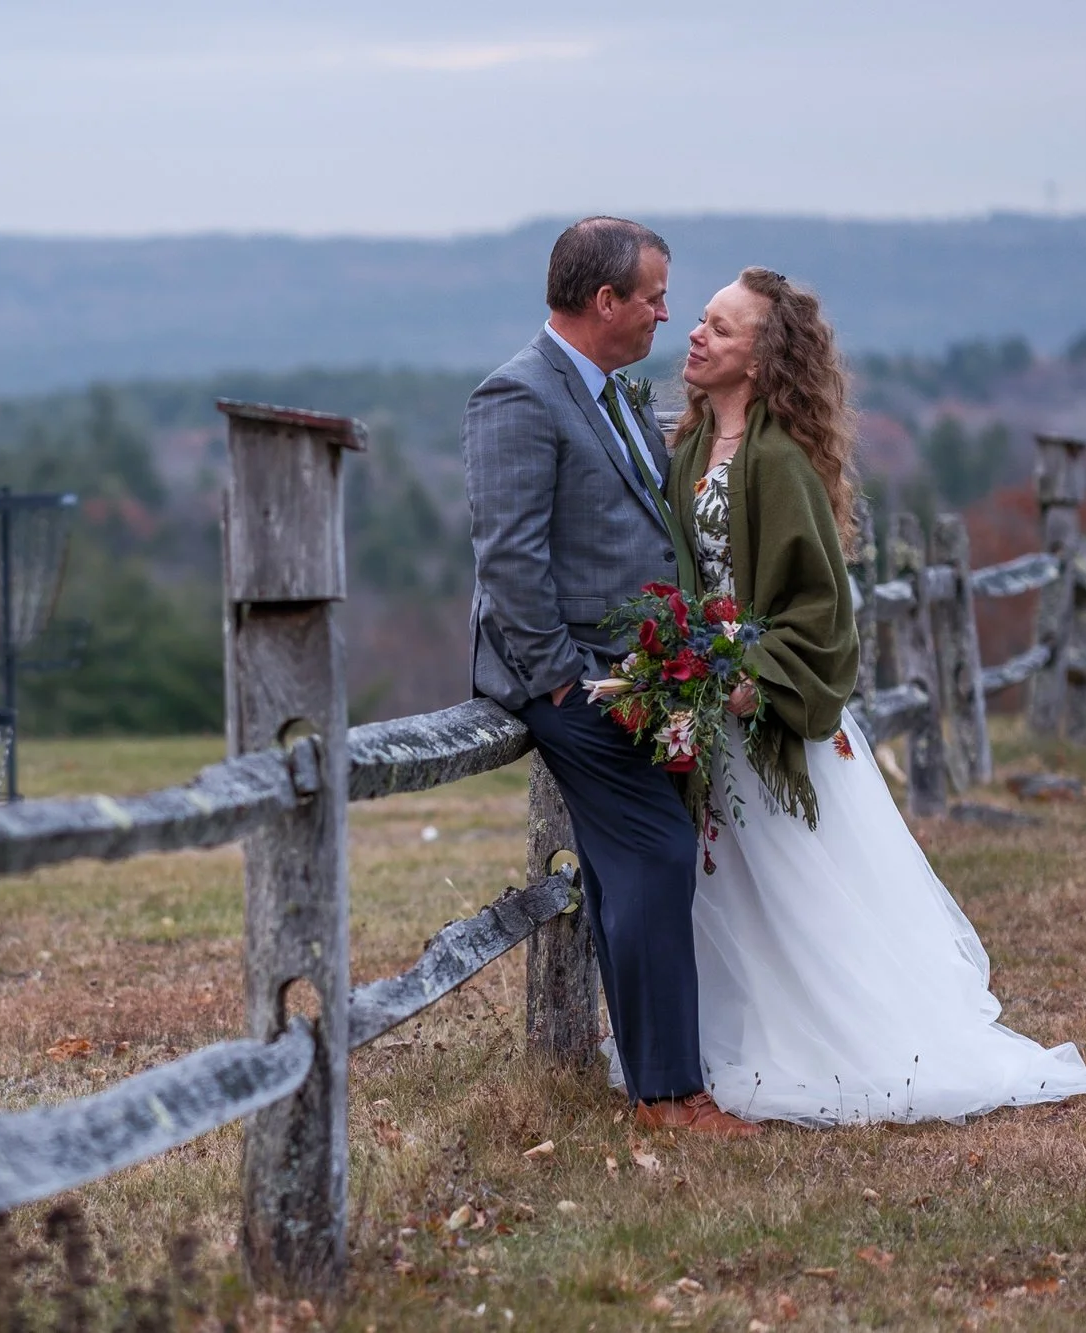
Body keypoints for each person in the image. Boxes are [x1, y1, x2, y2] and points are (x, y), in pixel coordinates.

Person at [653, 266, 1086, 1125]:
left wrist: (747, 681)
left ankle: (840, 1049)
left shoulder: (777, 462)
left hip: (763, 713)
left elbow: (822, 613)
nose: (695, 334)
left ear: (760, 358)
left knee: (803, 897)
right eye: (700, 319)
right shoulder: (691, 447)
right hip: (711, 712)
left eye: (720, 327)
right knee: (739, 896)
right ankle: (743, 1039)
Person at [464, 217, 757, 1136]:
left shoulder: (615, 394)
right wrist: (561, 679)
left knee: (635, 864)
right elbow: (509, 557)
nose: (667, 314)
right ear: (604, 300)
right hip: (570, 680)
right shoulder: (518, 395)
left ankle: (656, 1085)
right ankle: (670, 1095)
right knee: (658, 853)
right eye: (654, 298)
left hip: (633, 676)